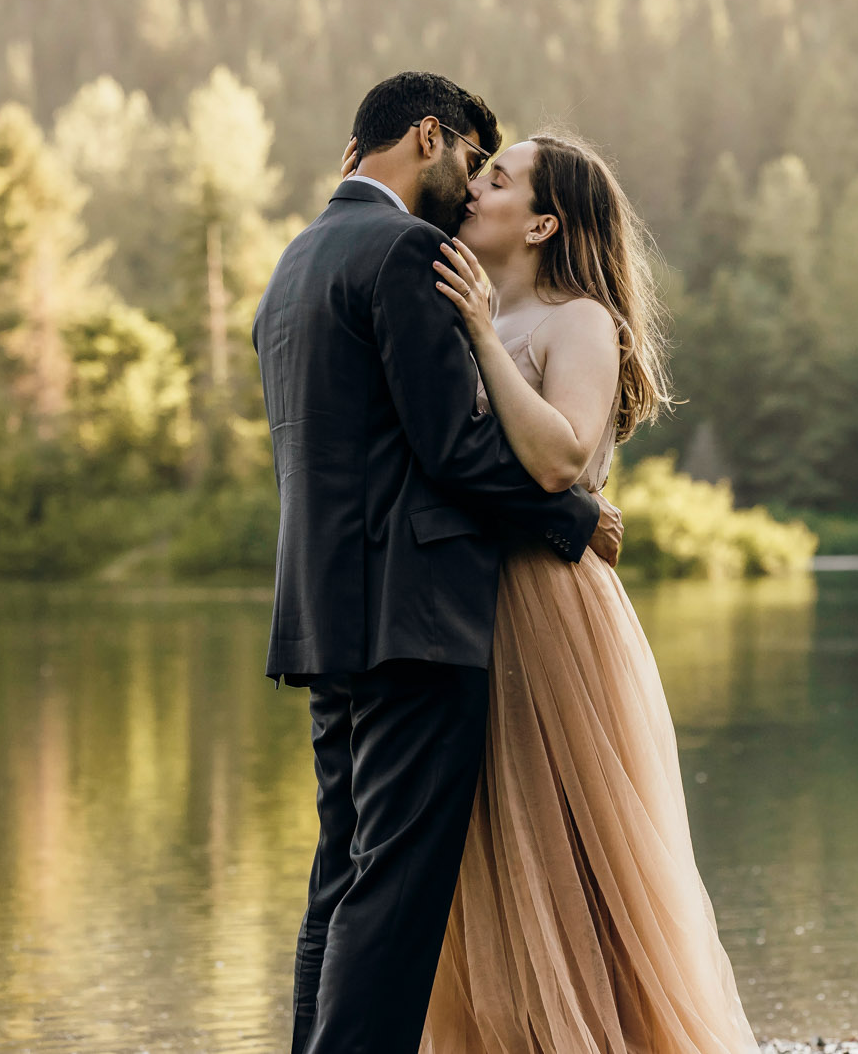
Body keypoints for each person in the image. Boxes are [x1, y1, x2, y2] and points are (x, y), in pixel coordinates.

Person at [361, 128, 758, 1054]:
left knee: (572, 851)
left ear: (543, 221)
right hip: (464, 605)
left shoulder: (577, 319)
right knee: (486, 852)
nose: (475, 187)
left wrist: (476, 338)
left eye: (498, 179)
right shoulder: (482, 309)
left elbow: (561, 457)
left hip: (548, 611)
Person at [253, 72, 623, 1054]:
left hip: (322, 614)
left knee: (341, 872)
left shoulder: (294, 260)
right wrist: (571, 519)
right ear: (429, 135)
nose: (468, 188)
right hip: (413, 618)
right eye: (470, 159)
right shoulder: (407, 250)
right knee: (399, 884)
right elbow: (451, 448)